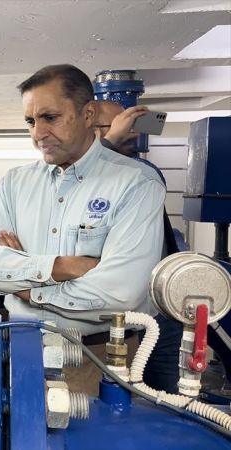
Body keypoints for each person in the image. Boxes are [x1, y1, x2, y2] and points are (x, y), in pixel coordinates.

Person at [0, 64, 166, 395]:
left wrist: (28, 288)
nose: (38, 133)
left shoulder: (136, 184)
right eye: (31, 121)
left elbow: (120, 294)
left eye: (50, 117)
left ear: (88, 113)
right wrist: (62, 267)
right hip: (21, 349)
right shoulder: (15, 184)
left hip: (99, 358)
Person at [95, 99, 183, 393]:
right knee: (124, 390)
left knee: (166, 393)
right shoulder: (78, 176)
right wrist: (107, 143)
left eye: (132, 124)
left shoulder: (144, 171)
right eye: (120, 125)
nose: (132, 133)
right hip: (124, 312)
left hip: (163, 305)